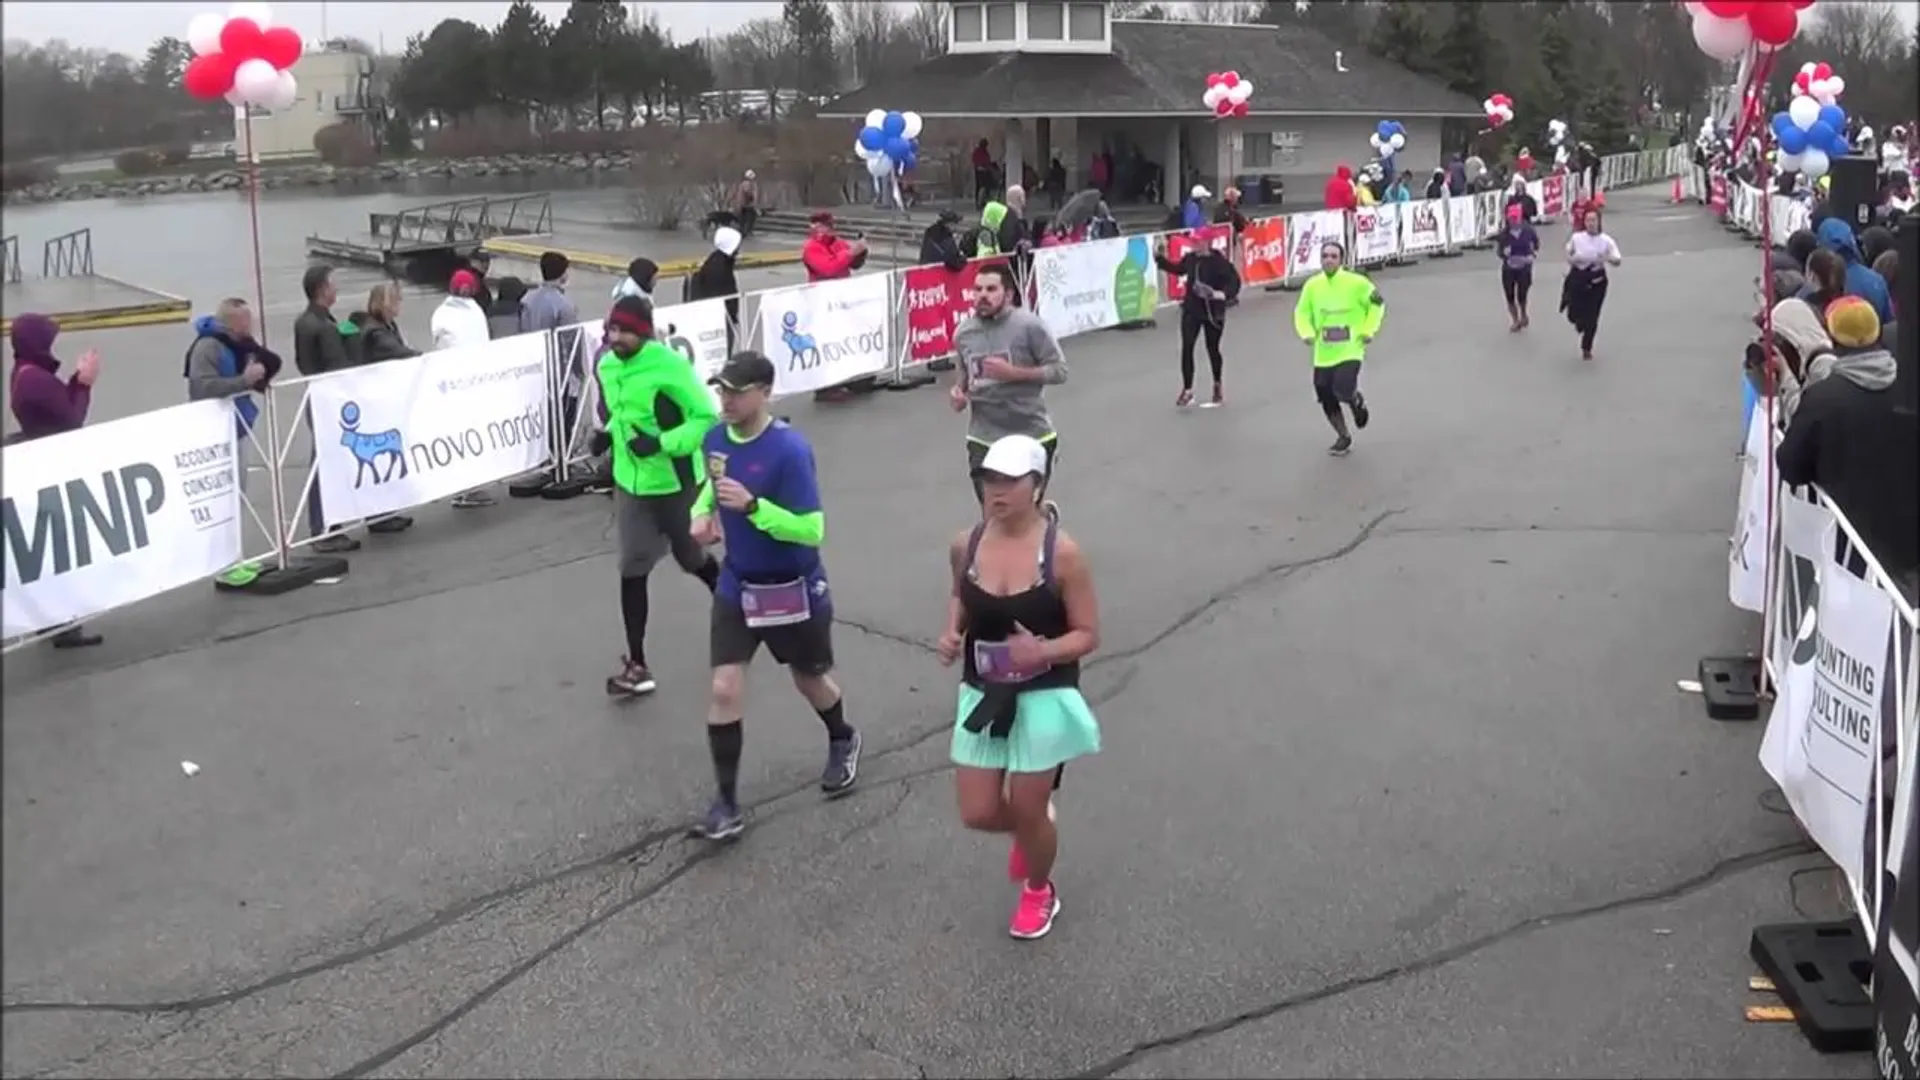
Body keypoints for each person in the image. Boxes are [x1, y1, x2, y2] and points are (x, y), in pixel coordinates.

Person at [686, 351, 858, 840]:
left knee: (810, 681)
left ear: (765, 393)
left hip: (791, 586)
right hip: (738, 583)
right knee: (723, 686)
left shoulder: (790, 451)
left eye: (737, 392)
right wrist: (702, 513)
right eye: (722, 390)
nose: (727, 400)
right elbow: (711, 483)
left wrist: (756, 507)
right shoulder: (715, 437)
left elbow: (812, 530)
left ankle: (843, 737)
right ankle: (726, 803)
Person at [938, 434, 1102, 940]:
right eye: (990, 479)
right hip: (983, 688)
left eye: (1011, 480)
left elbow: (1089, 634)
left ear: (1038, 485)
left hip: (1044, 692)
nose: (998, 490)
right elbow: (959, 593)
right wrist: (952, 631)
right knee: (979, 812)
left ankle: (1039, 889)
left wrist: (1045, 651)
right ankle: (1034, 831)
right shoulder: (966, 544)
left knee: (1029, 808)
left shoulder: (1063, 555)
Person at [590, 295, 723, 696]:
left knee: (691, 557)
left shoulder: (669, 367)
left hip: (676, 484)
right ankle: (637, 664)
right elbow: (623, 413)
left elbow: (706, 416)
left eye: (625, 331)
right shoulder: (607, 365)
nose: (617, 338)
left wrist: (663, 442)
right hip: (631, 486)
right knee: (631, 567)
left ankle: (738, 608)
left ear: (644, 332)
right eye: (613, 329)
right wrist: (606, 434)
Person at [1776, 296, 1917, 587]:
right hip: (1909, 537)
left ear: (1832, 338)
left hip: (1853, 545)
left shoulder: (1824, 399)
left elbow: (1791, 465)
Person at [9, 314, 104, 647]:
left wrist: (77, 380)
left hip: (40, 462)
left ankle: (54, 620)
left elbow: (57, 407)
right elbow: (71, 419)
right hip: (50, 466)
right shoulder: (37, 379)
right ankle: (61, 624)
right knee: (59, 547)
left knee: (49, 547)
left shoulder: (24, 372)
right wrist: (85, 383)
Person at [186, 298, 294, 586]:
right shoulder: (207, 347)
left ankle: (236, 558)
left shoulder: (239, 343)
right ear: (232, 323)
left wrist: (260, 376)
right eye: (247, 321)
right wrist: (244, 381)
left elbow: (268, 361)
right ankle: (224, 566)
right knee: (224, 498)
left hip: (238, 426)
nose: (252, 325)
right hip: (216, 434)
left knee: (238, 495)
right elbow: (201, 386)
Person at [950, 263, 1068, 506]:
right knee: (993, 515)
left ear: (1009, 294)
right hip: (983, 437)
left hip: (1031, 433)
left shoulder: (1029, 326)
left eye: (991, 289)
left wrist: (1014, 373)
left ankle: (1043, 518)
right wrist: (958, 395)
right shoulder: (963, 333)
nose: (982, 295)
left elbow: (1060, 371)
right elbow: (963, 381)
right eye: (978, 289)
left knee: (1023, 516)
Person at [292, 264, 365, 553]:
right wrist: (351, 341)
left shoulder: (309, 322)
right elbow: (338, 366)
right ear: (322, 289)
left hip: (318, 396)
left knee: (326, 462)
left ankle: (327, 525)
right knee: (325, 464)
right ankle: (323, 529)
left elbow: (302, 362)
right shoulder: (320, 325)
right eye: (332, 285)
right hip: (328, 399)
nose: (336, 289)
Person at [1292, 240, 1384, 456]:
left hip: (1350, 347)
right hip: (1323, 352)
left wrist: (1369, 330)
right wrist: (1306, 332)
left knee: (1342, 388)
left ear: (1341, 260)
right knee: (1325, 394)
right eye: (1325, 256)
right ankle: (1343, 436)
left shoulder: (1357, 283)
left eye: (1334, 256)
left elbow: (1377, 304)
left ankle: (1355, 400)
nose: (1329, 260)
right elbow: (1302, 312)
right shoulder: (1312, 285)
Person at [1155, 235, 1241, 407]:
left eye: (1199, 241)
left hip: (1212, 312)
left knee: (1212, 348)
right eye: (1194, 241)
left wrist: (1220, 294)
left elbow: (1235, 282)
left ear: (1207, 242)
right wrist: (1160, 259)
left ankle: (1217, 383)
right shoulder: (1191, 259)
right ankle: (1187, 390)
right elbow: (1178, 269)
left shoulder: (1219, 262)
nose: (1195, 244)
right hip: (1192, 310)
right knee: (1187, 347)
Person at [1561, 204, 1622, 361]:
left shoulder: (1606, 241)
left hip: (1597, 280)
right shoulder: (1577, 238)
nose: (1591, 223)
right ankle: (1578, 321)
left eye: (1594, 220)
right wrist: (1572, 261)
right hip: (1578, 277)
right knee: (1574, 313)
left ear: (1599, 221)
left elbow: (1617, 260)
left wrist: (1606, 258)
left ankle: (1587, 347)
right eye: (1588, 220)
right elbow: (1568, 254)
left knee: (1593, 316)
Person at [686, 225, 743, 332]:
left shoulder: (720, 260)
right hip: (719, 321)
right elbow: (722, 294)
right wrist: (732, 316)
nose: (739, 248)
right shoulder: (719, 266)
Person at [345, 282, 419, 364]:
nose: (400, 302)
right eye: (397, 299)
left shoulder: (388, 325)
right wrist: (422, 356)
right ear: (386, 304)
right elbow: (398, 351)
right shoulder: (375, 333)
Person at [1495, 203, 1541, 332]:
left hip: (1524, 267)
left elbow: (1536, 245)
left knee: (1522, 294)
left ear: (1520, 217)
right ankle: (1515, 320)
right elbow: (1499, 252)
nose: (1513, 220)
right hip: (1509, 268)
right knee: (1509, 295)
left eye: (1515, 217)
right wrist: (1504, 253)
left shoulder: (1528, 231)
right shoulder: (1504, 234)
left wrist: (1533, 255)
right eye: (1511, 218)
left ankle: (1523, 313)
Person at [520, 251, 579, 334]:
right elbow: (571, 336)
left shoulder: (527, 299)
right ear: (562, 275)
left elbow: (523, 329)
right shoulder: (564, 305)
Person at [733, 169, 759, 236]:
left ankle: (743, 230)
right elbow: (749, 193)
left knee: (743, 218)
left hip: (742, 204)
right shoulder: (748, 184)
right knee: (750, 218)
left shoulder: (742, 184)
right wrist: (752, 200)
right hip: (747, 205)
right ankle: (747, 231)